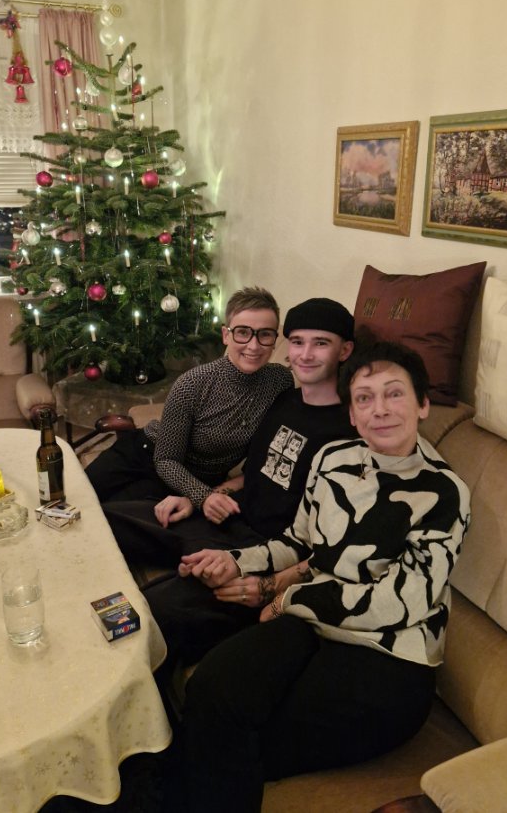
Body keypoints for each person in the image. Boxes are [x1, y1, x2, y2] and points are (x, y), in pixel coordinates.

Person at [165, 341, 471, 813]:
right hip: (314, 623)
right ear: (351, 414)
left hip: (388, 656)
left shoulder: (444, 491)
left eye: (394, 394)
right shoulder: (333, 457)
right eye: (364, 398)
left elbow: (401, 602)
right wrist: (236, 561)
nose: (380, 409)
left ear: (422, 405)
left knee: (249, 741)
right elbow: (299, 541)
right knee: (212, 690)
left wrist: (286, 599)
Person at [144, 297, 356, 663]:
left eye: (321, 343)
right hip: (231, 518)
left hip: (271, 549)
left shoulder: (350, 428)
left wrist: (272, 585)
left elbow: (337, 545)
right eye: (297, 342)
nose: (305, 354)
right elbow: (253, 473)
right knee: (116, 524)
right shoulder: (284, 399)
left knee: (155, 611)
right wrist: (202, 497)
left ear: (345, 350)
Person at [86, 286, 294, 511]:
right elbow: (165, 460)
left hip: (188, 481)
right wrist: (203, 496)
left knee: (112, 517)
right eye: (243, 332)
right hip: (145, 454)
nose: (253, 345)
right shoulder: (193, 383)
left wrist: (206, 494)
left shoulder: (280, 381)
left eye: (265, 334)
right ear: (226, 335)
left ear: (275, 339)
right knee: (77, 499)